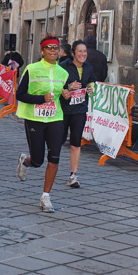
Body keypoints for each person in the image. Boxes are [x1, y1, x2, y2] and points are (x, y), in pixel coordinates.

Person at [15, 34, 69, 213]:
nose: (53, 50)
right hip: (35, 118)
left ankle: (46, 196)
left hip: (56, 118)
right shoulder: (32, 69)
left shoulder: (63, 73)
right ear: (42, 51)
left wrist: (67, 96)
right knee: (38, 160)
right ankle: (26, 161)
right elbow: (20, 95)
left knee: (54, 157)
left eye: (55, 48)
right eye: (49, 48)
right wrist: (41, 99)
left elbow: (64, 98)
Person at [59, 40, 96, 188]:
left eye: (85, 51)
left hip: (80, 109)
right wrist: (68, 87)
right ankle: (51, 164)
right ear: (73, 53)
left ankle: (73, 175)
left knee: (76, 142)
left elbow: (92, 81)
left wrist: (91, 87)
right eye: (80, 51)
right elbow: (55, 84)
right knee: (58, 141)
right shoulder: (63, 67)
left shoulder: (88, 67)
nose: (83, 54)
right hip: (63, 110)